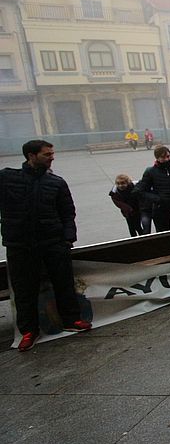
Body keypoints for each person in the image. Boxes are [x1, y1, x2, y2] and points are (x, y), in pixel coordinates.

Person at [1, 140, 91, 351]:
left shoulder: (57, 183)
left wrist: (68, 238)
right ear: (31, 156)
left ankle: (72, 320)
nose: (52, 157)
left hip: (53, 243)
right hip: (20, 245)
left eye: (52, 153)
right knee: (24, 290)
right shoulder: (7, 178)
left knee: (64, 283)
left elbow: (68, 213)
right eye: (47, 154)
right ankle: (28, 331)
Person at [135, 145, 170, 233]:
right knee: (163, 234)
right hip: (161, 208)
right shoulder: (151, 172)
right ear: (157, 158)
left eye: (168, 156)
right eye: (163, 157)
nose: (166, 159)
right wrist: (157, 199)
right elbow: (141, 191)